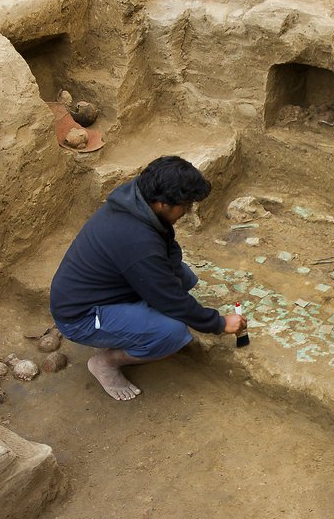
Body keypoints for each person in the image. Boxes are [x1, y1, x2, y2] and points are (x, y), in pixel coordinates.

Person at [49, 155, 247, 401]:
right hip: (82, 317)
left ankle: (131, 325)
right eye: (185, 206)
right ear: (163, 204)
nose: (186, 211)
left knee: (183, 276)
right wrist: (218, 323)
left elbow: (167, 251)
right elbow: (169, 298)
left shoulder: (136, 198)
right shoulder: (137, 241)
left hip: (102, 291)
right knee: (172, 332)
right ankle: (106, 362)